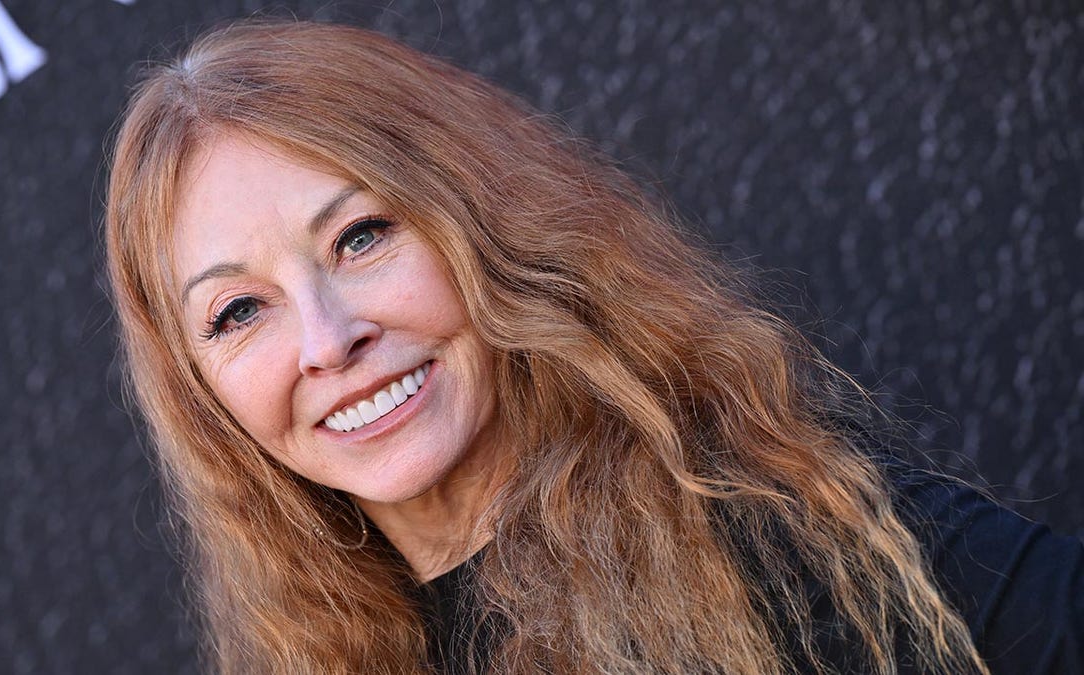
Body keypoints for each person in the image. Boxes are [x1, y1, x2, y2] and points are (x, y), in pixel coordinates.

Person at [103, 19, 1082, 674]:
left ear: (481, 230)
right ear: (200, 396)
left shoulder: (782, 536)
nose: (328, 339)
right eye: (238, 312)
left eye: (361, 238)